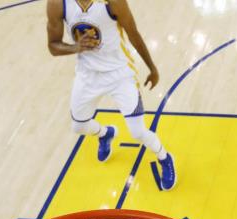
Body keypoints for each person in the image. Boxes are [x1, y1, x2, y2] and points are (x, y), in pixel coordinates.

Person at [45, 0, 176, 190]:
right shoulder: (57, 3)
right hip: (87, 75)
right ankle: (106, 134)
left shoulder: (113, 2)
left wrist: (152, 68)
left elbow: (133, 33)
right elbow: (53, 46)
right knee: (78, 126)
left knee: (138, 132)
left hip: (120, 73)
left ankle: (164, 157)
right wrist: (77, 48)